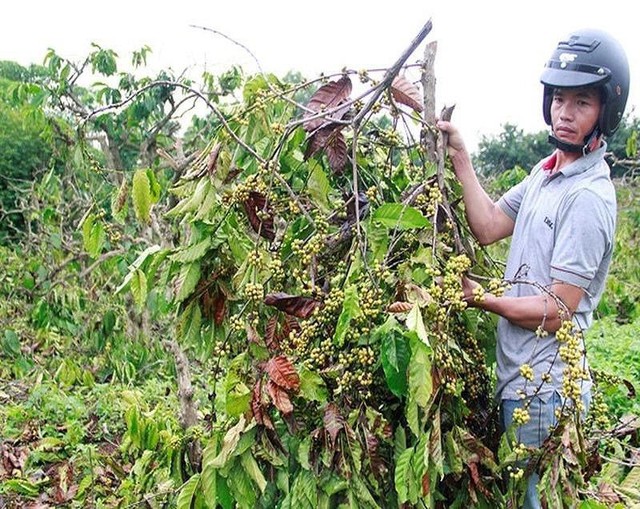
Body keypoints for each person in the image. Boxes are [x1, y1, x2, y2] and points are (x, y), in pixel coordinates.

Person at [437, 28, 630, 508]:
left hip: (547, 390)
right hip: (520, 382)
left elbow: (559, 308)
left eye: (581, 102)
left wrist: (478, 297)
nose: (565, 113)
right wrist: (460, 154)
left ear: (605, 111)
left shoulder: (587, 197)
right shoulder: (546, 174)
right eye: (559, 99)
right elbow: (486, 225)